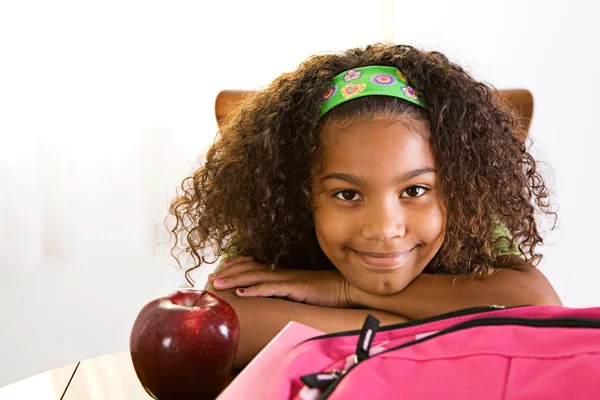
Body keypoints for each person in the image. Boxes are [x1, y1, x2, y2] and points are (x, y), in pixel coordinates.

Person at [166, 43, 561, 370]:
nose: (385, 228)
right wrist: (412, 323)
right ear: (299, 194)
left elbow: (538, 304)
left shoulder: (466, 213)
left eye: (414, 190)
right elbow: (226, 325)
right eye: (347, 195)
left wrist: (339, 290)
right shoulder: (279, 218)